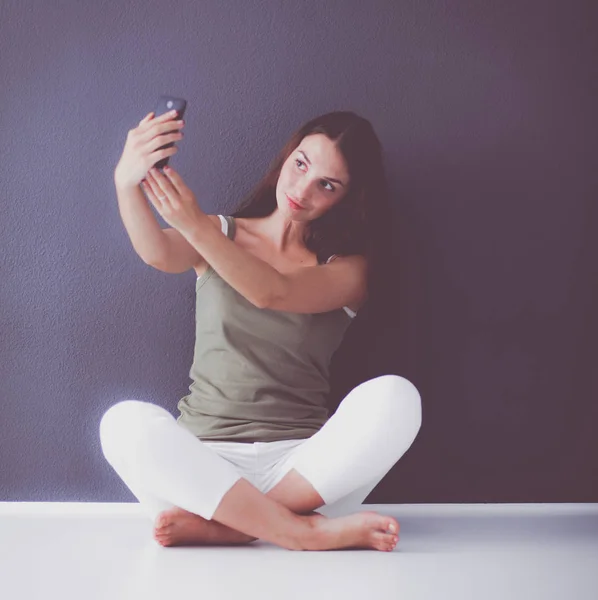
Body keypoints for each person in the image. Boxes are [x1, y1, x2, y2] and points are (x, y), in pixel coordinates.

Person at [101, 109, 422, 552]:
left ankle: (233, 528)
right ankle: (298, 530)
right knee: (122, 423)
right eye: (301, 165)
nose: (302, 189)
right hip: (203, 467)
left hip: (304, 470)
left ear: (348, 198)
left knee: (398, 397)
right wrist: (125, 180)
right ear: (287, 156)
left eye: (327, 185)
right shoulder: (220, 234)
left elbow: (273, 292)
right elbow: (156, 251)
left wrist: (193, 224)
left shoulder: (350, 271)